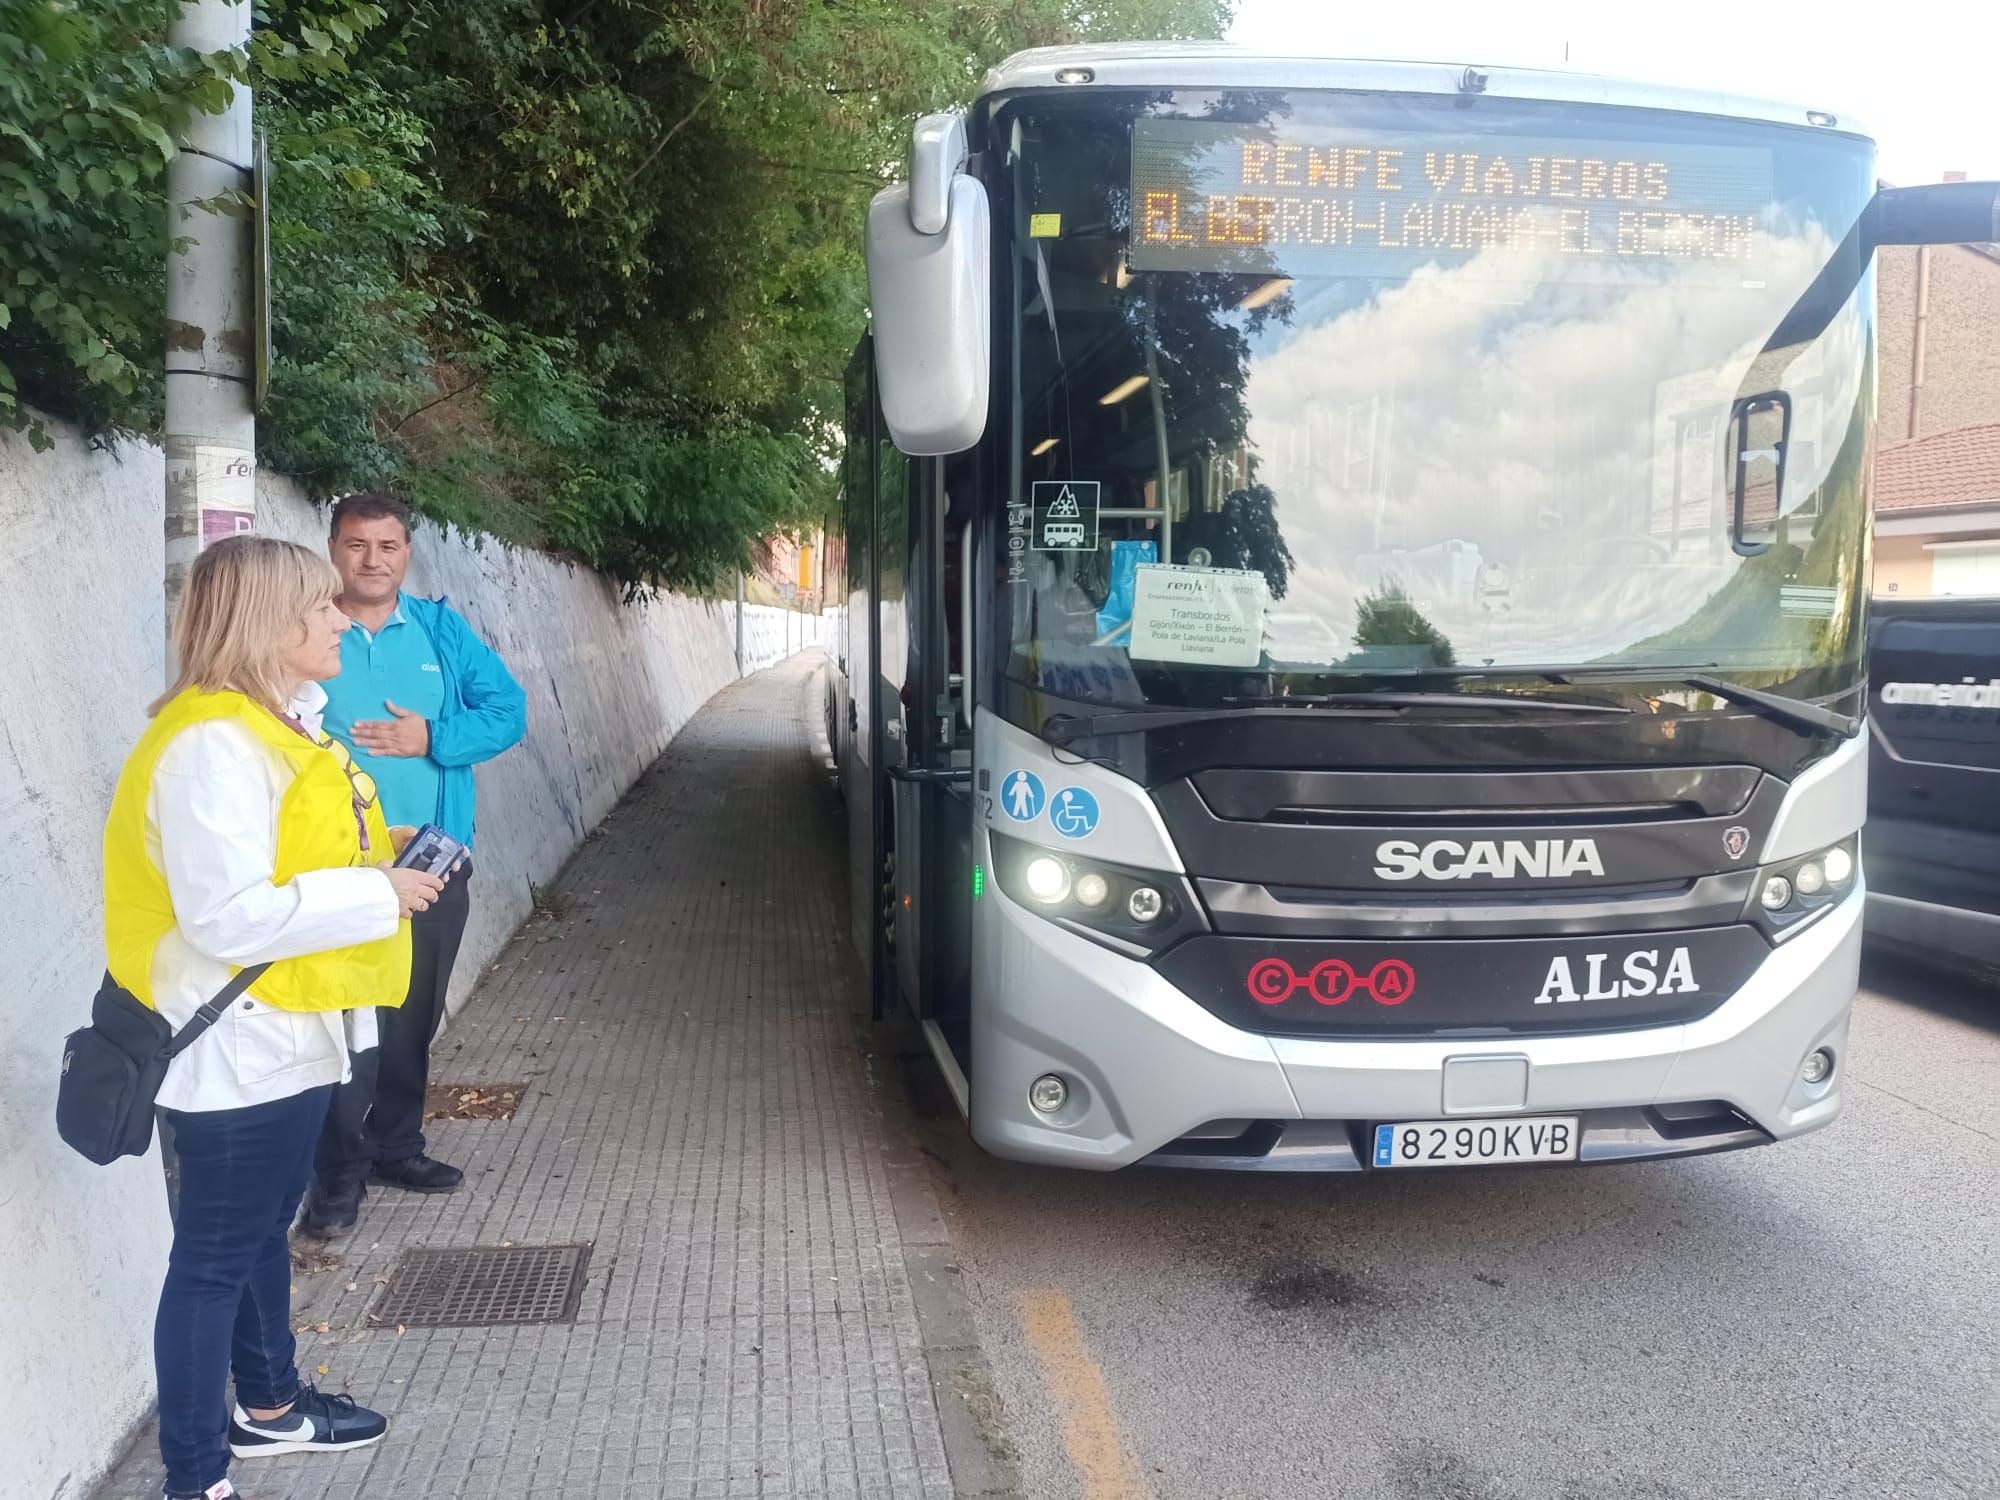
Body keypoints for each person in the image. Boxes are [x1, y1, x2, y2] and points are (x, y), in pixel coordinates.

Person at [103, 536, 448, 1500]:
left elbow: (294, 856)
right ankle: (195, 1477)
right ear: (269, 623)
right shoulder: (212, 742)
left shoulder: (270, 726)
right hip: (232, 1050)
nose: (342, 619)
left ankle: (269, 1406)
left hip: (279, 1034)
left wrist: (379, 866)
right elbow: (227, 914)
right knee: (214, 1260)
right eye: (323, 607)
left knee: (255, 1232)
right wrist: (379, 891)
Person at [302, 492, 526, 1237]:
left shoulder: (440, 631)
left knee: (412, 1014)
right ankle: (339, 1174)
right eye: (358, 545)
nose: (372, 560)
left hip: (431, 860)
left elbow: (508, 711)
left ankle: (398, 1145)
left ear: (408, 552)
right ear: (334, 548)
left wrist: (433, 736)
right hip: (336, 866)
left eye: (388, 546)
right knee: (344, 1022)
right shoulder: (306, 626)